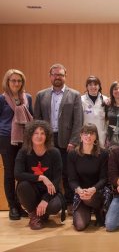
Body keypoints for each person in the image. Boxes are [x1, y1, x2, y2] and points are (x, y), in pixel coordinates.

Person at [34, 63, 83, 206]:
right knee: (47, 172)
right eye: (55, 74)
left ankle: (68, 202)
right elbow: (37, 120)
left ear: (65, 76)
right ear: (50, 76)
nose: (57, 77)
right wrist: (39, 141)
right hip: (46, 140)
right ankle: (48, 201)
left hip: (66, 141)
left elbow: (78, 120)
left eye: (61, 74)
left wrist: (74, 141)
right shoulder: (41, 95)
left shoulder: (74, 95)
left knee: (67, 173)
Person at [14, 120, 65, 230]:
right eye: (36, 133)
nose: (39, 136)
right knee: (22, 185)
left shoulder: (54, 153)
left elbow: (56, 180)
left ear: (47, 136)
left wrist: (45, 199)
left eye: (42, 133)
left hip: (49, 191)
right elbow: (18, 174)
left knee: (55, 206)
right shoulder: (23, 152)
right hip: (31, 191)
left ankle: (41, 213)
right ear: (30, 135)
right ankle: (34, 215)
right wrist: (41, 177)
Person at [0, 69, 33, 220]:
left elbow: (31, 118)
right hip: (6, 138)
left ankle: (20, 205)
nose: (16, 83)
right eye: (13, 80)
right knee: (9, 173)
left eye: (19, 81)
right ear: (7, 82)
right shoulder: (2, 99)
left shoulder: (28, 98)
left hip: (24, 139)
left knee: (21, 172)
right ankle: (12, 206)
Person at [68, 123, 109, 231]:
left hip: (98, 192)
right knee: (80, 226)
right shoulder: (73, 154)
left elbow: (104, 179)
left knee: (90, 197)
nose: (88, 136)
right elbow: (72, 180)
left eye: (92, 133)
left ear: (96, 137)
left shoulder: (104, 153)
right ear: (81, 136)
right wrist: (78, 190)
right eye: (85, 133)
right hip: (81, 193)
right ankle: (88, 210)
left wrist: (93, 189)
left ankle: (99, 209)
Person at [81, 76, 109, 148]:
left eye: (95, 84)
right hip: (86, 135)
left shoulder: (106, 100)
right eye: (90, 85)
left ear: (99, 86)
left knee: (100, 156)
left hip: (101, 135)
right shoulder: (81, 100)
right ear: (87, 87)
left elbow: (107, 121)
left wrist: (107, 136)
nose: (93, 87)